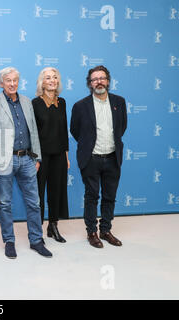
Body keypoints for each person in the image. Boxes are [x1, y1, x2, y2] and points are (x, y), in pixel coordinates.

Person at [0, 66, 52, 259]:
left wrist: (37, 157)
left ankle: (36, 240)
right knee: (5, 203)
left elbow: (34, 131)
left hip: (28, 159)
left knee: (34, 203)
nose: (12, 84)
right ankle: (9, 241)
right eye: (8, 80)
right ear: (1, 83)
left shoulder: (27, 102)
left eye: (15, 80)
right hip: (4, 161)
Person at [70, 65, 127, 248]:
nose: (99, 82)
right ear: (90, 83)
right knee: (91, 196)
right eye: (95, 79)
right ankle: (92, 232)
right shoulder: (80, 106)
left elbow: (122, 127)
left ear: (108, 81)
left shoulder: (120, 102)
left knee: (110, 196)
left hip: (112, 157)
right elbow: (75, 131)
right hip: (91, 158)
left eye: (102, 78)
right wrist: (89, 145)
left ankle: (106, 230)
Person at [32, 67, 69, 243]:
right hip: (41, 156)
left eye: (55, 77)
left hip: (59, 155)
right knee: (38, 193)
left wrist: (67, 156)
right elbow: (32, 132)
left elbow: (64, 131)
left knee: (57, 191)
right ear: (42, 82)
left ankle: (53, 226)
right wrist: (35, 157)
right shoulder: (35, 103)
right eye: (48, 78)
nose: (52, 80)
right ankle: (37, 230)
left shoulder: (62, 102)